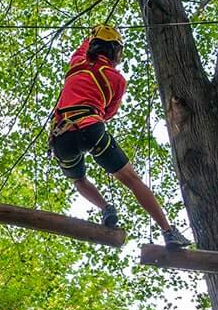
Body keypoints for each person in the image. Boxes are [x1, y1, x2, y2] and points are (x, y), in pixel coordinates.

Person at [49, 24, 191, 248]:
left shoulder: (77, 63)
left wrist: (97, 32)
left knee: (79, 180)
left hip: (61, 137)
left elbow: (85, 45)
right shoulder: (116, 79)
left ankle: (106, 208)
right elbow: (108, 113)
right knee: (132, 180)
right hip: (91, 128)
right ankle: (168, 231)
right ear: (113, 51)